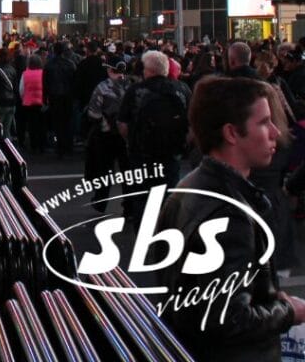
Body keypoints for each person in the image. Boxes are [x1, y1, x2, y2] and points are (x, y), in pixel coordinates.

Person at [157, 76, 305, 361]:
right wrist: (290, 312)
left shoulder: (189, 187)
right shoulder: (228, 213)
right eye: (264, 122)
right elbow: (227, 319)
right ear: (232, 133)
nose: (275, 132)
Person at [117, 49, 190, 211]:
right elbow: (191, 122)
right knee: (168, 197)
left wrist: (132, 140)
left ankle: (144, 224)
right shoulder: (181, 89)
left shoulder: (135, 90)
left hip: (142, 153)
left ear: (148, 70)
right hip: (171, 153)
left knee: (142, 198)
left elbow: (122, 123)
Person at [83, 57, 133, 212]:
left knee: (104, 170)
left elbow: (94, 113)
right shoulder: (131, 86)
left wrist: (104, 124)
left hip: (106, 135)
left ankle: (101, 201)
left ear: (110, 70)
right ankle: (130, 205)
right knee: (128, 171)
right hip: (127, 135)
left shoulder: (102, 87)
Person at [43, 41, 77, 156]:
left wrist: (45, 97)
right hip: (68, 96)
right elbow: (74, 81)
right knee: (68, 121)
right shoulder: (70, 64)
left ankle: (60, 146)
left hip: (54, 96)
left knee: (57, 122)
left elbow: (45, 83)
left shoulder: (49, 65)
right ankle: (68, 145)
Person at [19, 54, 46, 153]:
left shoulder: (25, 74)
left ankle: (33, 145)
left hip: (29, 102)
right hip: (41, 102)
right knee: (42, 125)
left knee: (31, 125)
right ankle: (42, 145)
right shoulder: (43, 73)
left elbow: (21, 89)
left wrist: (24, 98)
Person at [0, 47, 17, 138]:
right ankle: (8, 145)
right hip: (11, 102)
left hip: (0, 103)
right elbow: (15, 87)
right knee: (6, 130)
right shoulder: (13, 69)